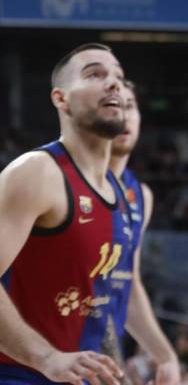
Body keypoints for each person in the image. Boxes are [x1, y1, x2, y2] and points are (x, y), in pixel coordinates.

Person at [0, 42, 131, 384]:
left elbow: (100, 305)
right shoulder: (37, 172)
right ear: (61, 99)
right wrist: (46, 358)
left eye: (118, 76)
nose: (113, 83)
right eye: (95, 74)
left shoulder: (117, 192)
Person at [109, 81, 182, 384]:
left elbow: (127, 281)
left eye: (130, 106)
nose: (124, 116)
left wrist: (164, 355)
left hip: (92, 354)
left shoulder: (140, 195)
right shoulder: (52, 177)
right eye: (114, 107)